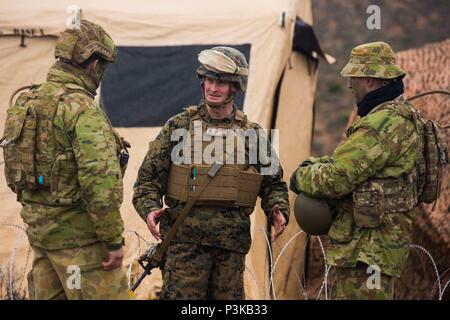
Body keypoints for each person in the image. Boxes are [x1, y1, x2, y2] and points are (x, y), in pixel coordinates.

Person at [133, 46, 290, 300]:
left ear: (235, 88)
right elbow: (147, 181)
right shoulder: (179, 126)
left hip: (230, 249)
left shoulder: (252, 134)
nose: (212, 87)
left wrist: (277, 209)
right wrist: (150, 209)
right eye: (208, 79)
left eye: (221, 82)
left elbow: (273, 184)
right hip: (184, 246)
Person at [1, 20, 129, 300]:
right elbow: (100, 185)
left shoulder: (27, 102)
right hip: (83, 248)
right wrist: (113, 240)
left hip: (42, 240)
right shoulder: (82, 110)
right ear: (94, 65)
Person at [290, 42, 424, 300]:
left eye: (354, 78)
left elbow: (337, 179)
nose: (350, 84)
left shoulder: (380, 124)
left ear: (371, 81)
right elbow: (360, 166)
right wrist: (320, 164)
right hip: (377, 247)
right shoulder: (401, 116)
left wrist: (301, 177)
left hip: (367, 249)